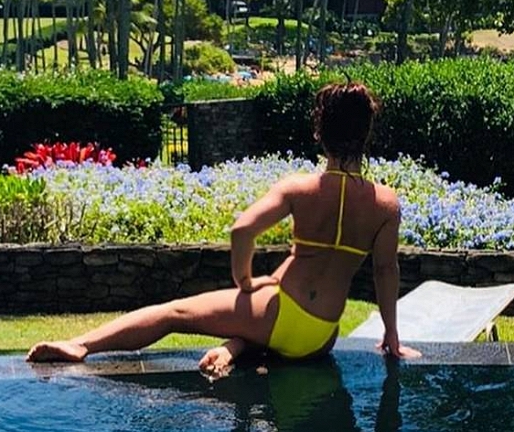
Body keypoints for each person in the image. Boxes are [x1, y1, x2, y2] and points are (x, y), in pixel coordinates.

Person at [27, 82, 420, 371]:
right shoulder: (385, 204)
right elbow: (385, 270)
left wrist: (245, 283)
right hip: (322, 335)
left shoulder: (299, 188)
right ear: (366, 135)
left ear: (320, 133)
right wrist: (392, 336)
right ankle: (236, 346)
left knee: (173, 313)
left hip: (278, 315)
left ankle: (80, 345)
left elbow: (242, 230)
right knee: (260, 315)